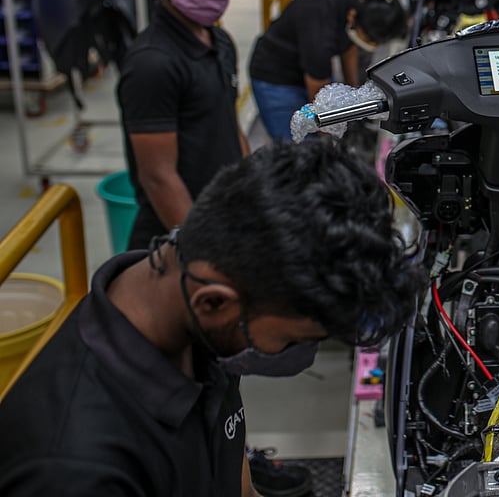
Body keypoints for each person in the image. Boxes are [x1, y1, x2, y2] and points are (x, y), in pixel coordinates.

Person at [0, 140, 427, 497]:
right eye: (292, 340)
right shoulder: (74, 467)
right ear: (214, 303)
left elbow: (235, 477)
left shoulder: (197, 324)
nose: (297, 355)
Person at [117, 0, 248, 252]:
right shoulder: (152, 64)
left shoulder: (219, 42)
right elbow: (158, 177)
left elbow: (228, 126)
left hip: (223, 215)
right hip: (176, 238)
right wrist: (203, 253)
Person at [248, 0, 408, 141]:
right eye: (370, 40)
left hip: (309, 65)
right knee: (301, 149)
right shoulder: (320, 31)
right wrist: (329, 142)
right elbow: (320, 102)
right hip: (276, 77)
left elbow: (348, 46)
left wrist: (355, 96)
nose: (373, 46)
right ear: (353, 17)